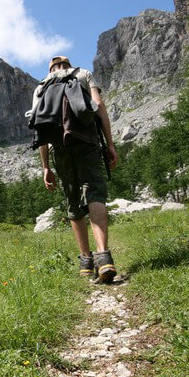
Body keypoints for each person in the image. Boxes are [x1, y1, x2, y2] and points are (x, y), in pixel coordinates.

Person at [32, 55, 119, 283]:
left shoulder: (42, 86)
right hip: (87, 140)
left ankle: (85, 263)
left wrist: (45, 167)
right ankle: (104, 257)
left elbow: (40, 129)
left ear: (50, 68)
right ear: (68, 65)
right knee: (94, 192)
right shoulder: (83, 74)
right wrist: (110, 145)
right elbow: (99, 105)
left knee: (72, 200)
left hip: (59, 148)